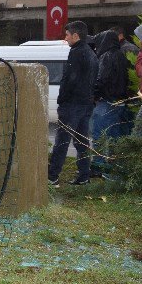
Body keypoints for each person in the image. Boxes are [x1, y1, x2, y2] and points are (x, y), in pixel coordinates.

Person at [48, 21, 98, 187]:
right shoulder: (91, 53)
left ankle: (52, 176)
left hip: (73, 105)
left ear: (76, 36)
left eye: (67, 34)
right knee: (82, 142)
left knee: (62, 141)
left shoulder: (77, 53)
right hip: (86, 104)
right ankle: (84, 175)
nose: (65, 38)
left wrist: (62, 100)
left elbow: (70, 80)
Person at [90, 30, 130, 178]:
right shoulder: (121, 55)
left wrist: (94, 95)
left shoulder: (106, 57)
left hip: (106, 101)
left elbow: (101, 80)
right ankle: (115, 170)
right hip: (119, 102)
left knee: (99, 135)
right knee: (115, 136)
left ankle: (98, 168)